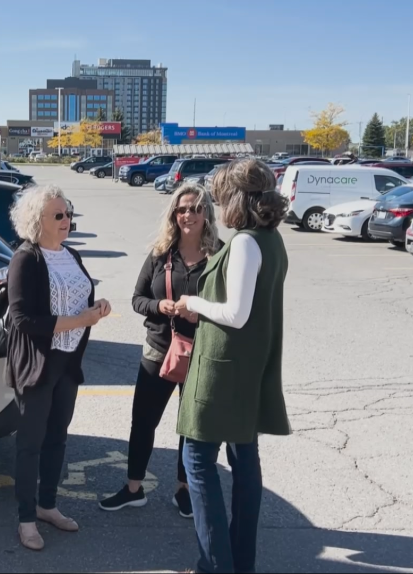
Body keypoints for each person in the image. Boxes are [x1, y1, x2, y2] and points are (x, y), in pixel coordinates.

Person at [173, 159, 291, 574]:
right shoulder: (270, 238)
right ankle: (240, 563)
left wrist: (192, 303)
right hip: (249, 363)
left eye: (221, 197)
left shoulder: (245, 242)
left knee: (198, 460)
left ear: (237, 199)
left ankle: (215, 564)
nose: (217, 205)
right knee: (244, 458)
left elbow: (236, 313)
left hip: (226, 367)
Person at [100, 183, 222, 518]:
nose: (188, 215)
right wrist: (160, 306)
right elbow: (138, 299)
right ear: (173, 214)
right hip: (159, 349)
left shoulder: (218, 255)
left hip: (201, 352)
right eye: (182, 209)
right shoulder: (160, 253)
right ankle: (133, 488)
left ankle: (184, 489)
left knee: (190, 425)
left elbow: (230, 306)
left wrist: (202, 311)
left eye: (196, 208)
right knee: (143, 421)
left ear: (207, 213)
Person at [6, 184, 112, 551]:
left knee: (58, 439)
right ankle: (25, 518)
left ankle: (47, 505)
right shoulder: (27, 258)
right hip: (38, 365)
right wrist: (78, 319)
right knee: (30, 445)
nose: (68, 221)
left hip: (67, 364)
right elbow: (22, 320)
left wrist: (97, 309)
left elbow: (79, 299)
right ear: (39, 221)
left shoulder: (71, 255)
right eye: (59, 216)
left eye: (69, 214)